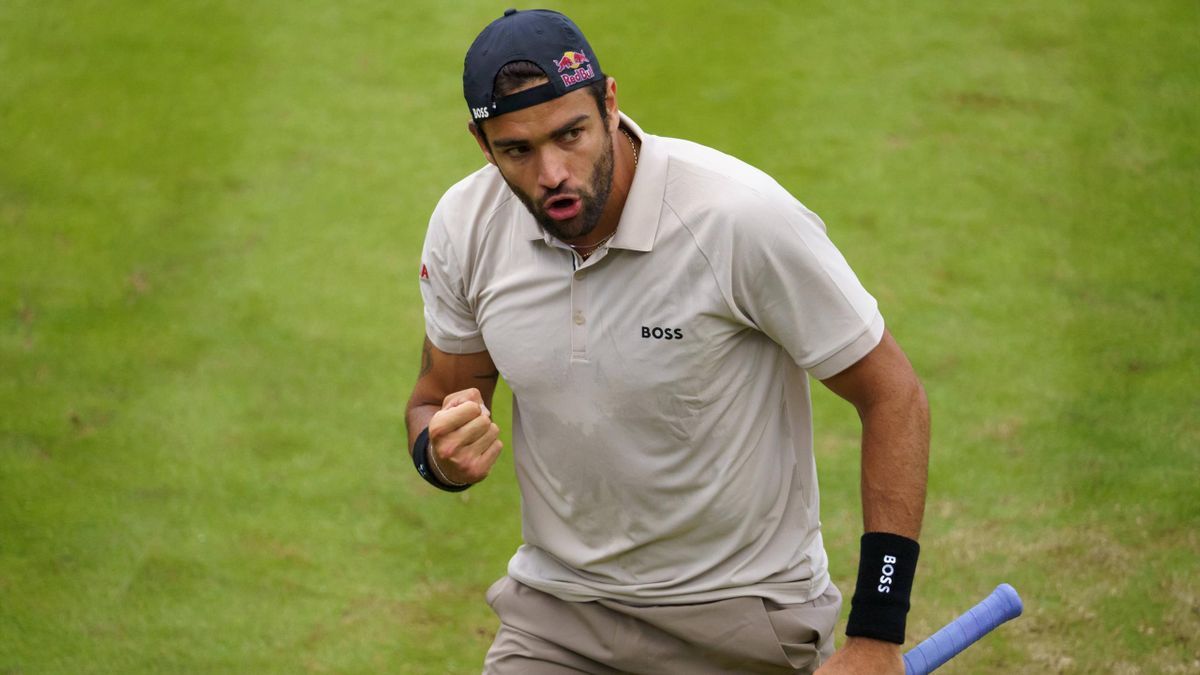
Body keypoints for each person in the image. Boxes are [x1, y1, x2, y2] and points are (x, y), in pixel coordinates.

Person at [406, 9, 929, 674]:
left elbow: (894, 395)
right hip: (559, 616)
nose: (553, 173)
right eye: (518, 150)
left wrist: (878, 631)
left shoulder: (740, 218)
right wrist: (440, 456)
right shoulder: (465, 226)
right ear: (482, 144)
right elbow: (435, 400)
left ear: (611, 103)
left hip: (742, 622)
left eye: (572, 134)